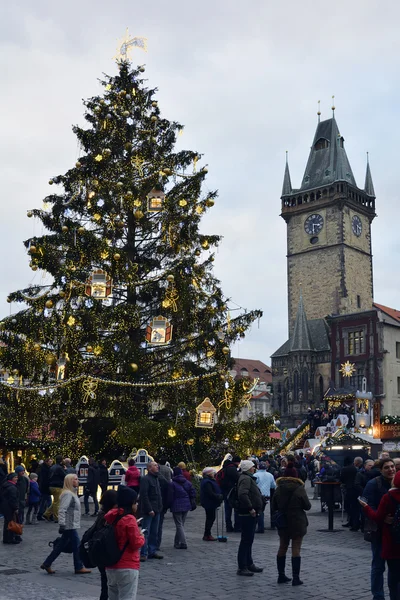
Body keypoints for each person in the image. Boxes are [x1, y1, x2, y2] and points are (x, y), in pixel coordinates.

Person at [359, 470, 400, 600]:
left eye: (393, 466)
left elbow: (377, 517)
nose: (392, 469)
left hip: (390, 538)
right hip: (387, 537)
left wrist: (365, 507)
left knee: (391, 574)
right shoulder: (373, 484)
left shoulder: (388, 497)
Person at [41, 473, 91, 575]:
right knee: (77, 546)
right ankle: (78, 566)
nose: (78, 481)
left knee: (61, 545)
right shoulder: (68, 494)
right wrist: (62, 524)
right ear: (70, 481)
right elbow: (62, 510)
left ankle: (47, 563)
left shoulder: (71, 493)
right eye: (75, 479)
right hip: (69, 524)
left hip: (71, 523)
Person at [272, 469, 311, 586]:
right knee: (296, 548)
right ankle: (296, 578)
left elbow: (274, 506)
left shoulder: (279, 489)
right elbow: (307, 506)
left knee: (282, 546)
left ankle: (281, 575)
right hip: (297, 522)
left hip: (283, 521)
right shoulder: (299, 489)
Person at [104, 486, 145, 600]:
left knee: (113, 597)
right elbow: (135, 543)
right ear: (131, 503)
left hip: (111, 565)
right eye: (135, 502)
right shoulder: (129, 519)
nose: (137, 505)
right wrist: (142, 537)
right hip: (127, 565)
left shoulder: (111, 517)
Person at [235, 460, 264, 577]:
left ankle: (249, 563)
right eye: (252, 467)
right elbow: (242, 494)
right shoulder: (246, 479)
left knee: (249, 539)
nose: (254, 469)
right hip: (247, 513)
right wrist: (250, 508)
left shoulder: (247, 478)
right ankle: (242, 566)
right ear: (248, 468)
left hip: (249, 513)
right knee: (246, 540)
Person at [93, 489, 118, 600]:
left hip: (100, 553)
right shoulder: (107, 517)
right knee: (107, 584)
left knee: (106, 582)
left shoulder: (101, 514)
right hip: (105, 553)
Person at [138, 461, 163, 561]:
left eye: (157, 465)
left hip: (157, 509)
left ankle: (152, 551)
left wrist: (160, 507)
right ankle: (143, 553)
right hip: (149, 510)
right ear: (149, 468)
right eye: (155, 465)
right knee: (146, 531)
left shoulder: (156, 478)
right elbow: (144, 495)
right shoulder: (145, 479)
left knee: (154, 532)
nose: (157, 467)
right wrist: (149, 509)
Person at [169, 466, 196, 549]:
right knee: (181, 524)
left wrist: (168, 505)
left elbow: (170, 496)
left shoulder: (172, 483)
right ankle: (176, 542)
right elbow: (192, 493)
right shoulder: (187, 482)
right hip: (186, 505)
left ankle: (183, 543)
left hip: (176, 505)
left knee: (179, 525)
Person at [219, 456, 241, 533]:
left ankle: (228, 527)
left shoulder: (224, 469)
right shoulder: (232, 469)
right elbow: (238, 479)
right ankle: (237, 527)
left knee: (227, 510)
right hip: (232, 492)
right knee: (236, 509)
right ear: (238, 462)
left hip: (224, 491)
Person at [200, 467, 223, 541]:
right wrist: (218, 496)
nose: (214, 474)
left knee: (210, 518)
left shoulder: (209, 480)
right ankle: (207, 534)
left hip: (210, 502)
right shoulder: (207, 482)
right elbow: (210, 493)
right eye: (213, 473)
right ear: (209, 474)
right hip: (209, 502)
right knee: (210, 518)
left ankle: (207, 534)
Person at [254, 461, 276, 533]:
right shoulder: (270, 475)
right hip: (267, 495)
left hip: (258, 495)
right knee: (261, 509)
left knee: (259, 511)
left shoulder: (256, 475)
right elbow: (273, 486)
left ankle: (260, 527)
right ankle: (260, 525)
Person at [341, 456, 362, 531]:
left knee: (349, 506)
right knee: (354, 507)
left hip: (349, 489)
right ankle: (352, 522)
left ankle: (354, 523)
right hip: (356, 490)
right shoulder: (357, 469)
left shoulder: (345, 469)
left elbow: (342, 479)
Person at [43, 454, 65, 522]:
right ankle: (56, 517)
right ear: (61, 461)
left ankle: (47, 513)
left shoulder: (52, 467)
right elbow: (64, 475)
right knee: (57, 502)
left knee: (55, 501)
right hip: (57, 486)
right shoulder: (59, 468)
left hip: (51, 486)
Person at [0, 473, 20, 544]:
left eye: (17, 477)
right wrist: (16, 508)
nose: (17, 478)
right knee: (11, 523)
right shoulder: (12, 487)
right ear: (11, 478)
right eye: (15, 477)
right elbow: (13, 499)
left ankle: (6, 538)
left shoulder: (5, 485)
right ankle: (10, 538)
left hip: (5, 506)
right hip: (9, 507)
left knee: (7, 523)